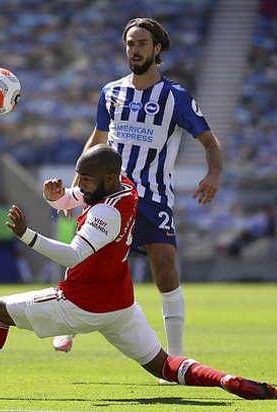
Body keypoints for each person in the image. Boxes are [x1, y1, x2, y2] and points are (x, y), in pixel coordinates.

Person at [0, 145, 277, 400]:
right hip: (120, 305)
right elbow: (80, 196)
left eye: (86, 179)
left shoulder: (105, 214)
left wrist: (27, 235)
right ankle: (226, 380)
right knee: (163, 366)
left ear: (107, 179)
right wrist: (57, 198)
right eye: (79, 177)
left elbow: (72, 256)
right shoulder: (126, 188)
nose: (79, 184)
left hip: (81, 303)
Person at [52, 18, 223, 359]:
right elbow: (96, 142)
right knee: (83, 258)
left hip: (152, 196)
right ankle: (66, 326)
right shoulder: (111, 92)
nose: (135, 50)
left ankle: (174, 358)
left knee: (165, 269)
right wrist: (76, 189)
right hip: (109, 196)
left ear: (157, 49)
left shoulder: (176, 97)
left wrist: (214, 174)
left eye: (142, 43)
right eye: (130, 43)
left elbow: (209, 141)